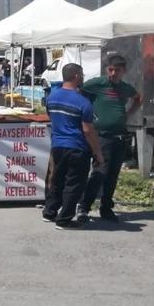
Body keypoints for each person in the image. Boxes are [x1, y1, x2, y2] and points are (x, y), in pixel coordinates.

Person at [77, 54, 141, 223]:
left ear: (123, 71)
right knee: (99, 173)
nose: (113, 73)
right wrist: (87, 113)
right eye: (110, 70)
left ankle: (106, 207)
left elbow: (138, 98)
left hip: (120, 137)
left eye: (117, 70)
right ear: (107, 69)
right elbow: (80, 92)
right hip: (102, 137)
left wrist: (129, 114)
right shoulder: (97, 84)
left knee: (113, 175)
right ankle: (84, 207)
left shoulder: (125, 88)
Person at [42, 63, 104, 230]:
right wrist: (97, 152)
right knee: (74, 184)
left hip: (57, 145)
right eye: (82, 74)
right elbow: (88, 130)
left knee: (58, 179)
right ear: (76, 76)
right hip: (77, 147)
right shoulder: (83, 103)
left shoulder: (52, 97)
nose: (83, 78)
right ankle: (65, 220)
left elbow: (51, 116)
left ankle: (49, 212)